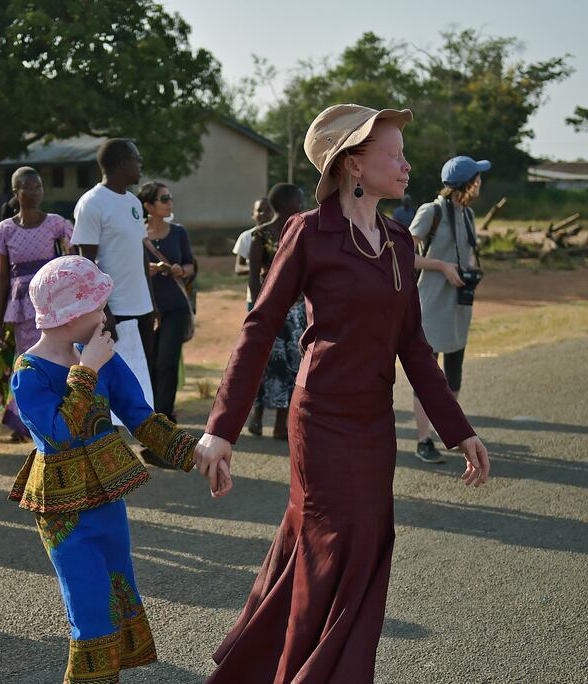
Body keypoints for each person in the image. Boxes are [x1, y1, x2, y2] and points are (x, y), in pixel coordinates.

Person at [195, 104, 490, 683]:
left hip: (373, 426)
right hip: (322, 423)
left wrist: (460, 431)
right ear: (354, 164)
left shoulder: (400, 242)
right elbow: (258, 328)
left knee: (363, 550)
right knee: (335, 552)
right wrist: (220, 429)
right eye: (394, 154)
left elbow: (414, 345)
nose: (407, 165)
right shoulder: (309, 232)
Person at [8, 255, 228, 684]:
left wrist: (199, 454)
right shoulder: (28, 372)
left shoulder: (102, 357)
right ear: (72, 315)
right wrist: (85, 369)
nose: (105, 316)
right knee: (91, 613)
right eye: (98, 307)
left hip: (108, 502)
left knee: (116, 600)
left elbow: (141, 418)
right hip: (64, 513)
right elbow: (58, 434)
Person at [0, 166, 73, 442]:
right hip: (21, 306)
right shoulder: (4, 231)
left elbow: (72, 257)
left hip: (51, 302)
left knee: (59, 356)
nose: (35, 192)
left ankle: (60, 415)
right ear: (15, 192)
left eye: (39, 187)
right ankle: (26, 419)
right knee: (27, 361)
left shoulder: (56, 223)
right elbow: (0, 279)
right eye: (29, 187)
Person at [408, 156, 490, 464]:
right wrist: (441, 266)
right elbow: (405, 254)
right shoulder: (431, 211)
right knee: (427, 376)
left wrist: (469, 272)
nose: (481, 183)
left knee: (453, 378)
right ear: (468, 184)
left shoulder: (467, 214)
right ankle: (422, 440)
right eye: (477, 179)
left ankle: (449, 431)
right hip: (430, 305)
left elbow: (466, 254)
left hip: (458, 306)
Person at [71, 139, 156, 426]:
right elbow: (86, 264)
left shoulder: (133, 203)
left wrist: (152, 302)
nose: (140, 165)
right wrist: (104, 310)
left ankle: (146, 441)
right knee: (112, 380)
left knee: (141, 377)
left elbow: (140, 254)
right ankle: (108, 447)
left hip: (141, 306)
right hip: (113, 310)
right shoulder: (92, 203)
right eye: (137, 159)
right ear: (122, 163)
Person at [244, 183, 307, 440]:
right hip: (271, 310)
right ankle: (256, 417)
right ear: (287, 204)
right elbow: (253, 277)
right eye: (299, 199)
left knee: (292, 365)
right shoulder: (260, 235)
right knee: (265, 364)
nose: (302, 204)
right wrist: (260, 310)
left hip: (295, 312)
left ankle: (282, 423)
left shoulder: (302, 231)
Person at [137, 181, 196, 421]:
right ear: (148, 206)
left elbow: (191, 265)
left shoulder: (179, 232)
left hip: (175, 307)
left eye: (170, 197)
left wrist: (178, 270)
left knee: (166, 363)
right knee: (149, 364)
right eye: (164, 199)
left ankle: (165, 416)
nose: (170, 202)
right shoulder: (137, 234)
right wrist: (144, 269)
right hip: (146, 308)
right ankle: (149, 417)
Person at [233, 197, 272, 278]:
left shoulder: (282, 235)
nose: (263, 213)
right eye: (259, 210)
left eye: (268, 210)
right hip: (255, 287)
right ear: (252, 214)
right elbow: (238, 268)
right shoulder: (246, 237)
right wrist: (257, 269)